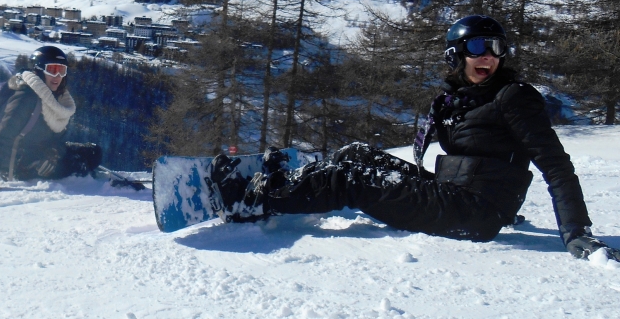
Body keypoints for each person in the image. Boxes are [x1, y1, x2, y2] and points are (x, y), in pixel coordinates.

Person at [209, 15, 620, 261]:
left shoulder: (514, 98)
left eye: (496, 48)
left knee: (350, 179)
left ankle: (253, 199)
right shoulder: (462, 100)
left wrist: (576, 231)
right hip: (453, 192)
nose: (489, 55)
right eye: (477, 46)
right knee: (356, 153)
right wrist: (444, 109)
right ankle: (294, 185)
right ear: (455, 54)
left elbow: (556, 165)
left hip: (473, 214)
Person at [0, 46, 102, 190]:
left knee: (93, 151)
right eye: (52, 70)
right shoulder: (26, 97)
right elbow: (2, 137)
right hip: (20, 166)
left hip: (39, 156)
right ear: (38, 70)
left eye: (62, 70)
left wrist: (54, 152)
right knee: (85, 160)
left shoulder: (55, 98)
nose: (58, 76)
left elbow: (53, 139)